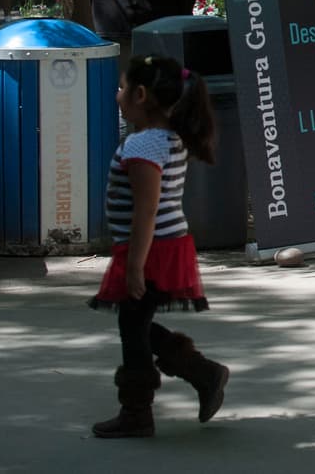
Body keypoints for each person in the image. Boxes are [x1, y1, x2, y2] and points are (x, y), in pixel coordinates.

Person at [87, 55, 228, 438]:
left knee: (133, 325)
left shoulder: (143, 145)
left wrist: (134, 265)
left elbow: (146, 209)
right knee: (135, 320)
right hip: (163, 245)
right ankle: (202, 373)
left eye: (121, 88)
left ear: (141, 94)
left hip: (151, 249)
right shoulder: (167, 138)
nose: (117, 96)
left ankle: (137, 411)